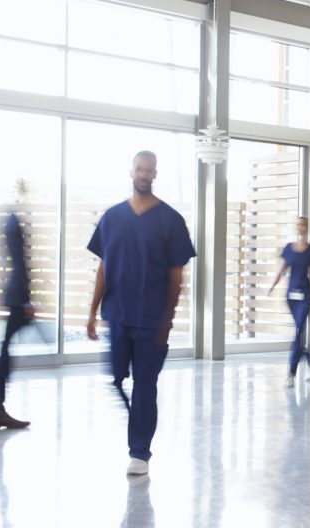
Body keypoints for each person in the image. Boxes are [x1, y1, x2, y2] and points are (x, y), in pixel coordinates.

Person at [86, 150, 196, 476]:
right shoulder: (112, 217)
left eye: (150, 170)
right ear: (131, 171)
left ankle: (140, 452)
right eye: (140, 169)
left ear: (155, 174)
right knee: (117, 377)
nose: (144, 175)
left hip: (152, 322)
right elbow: (103, 267)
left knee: (146, 385)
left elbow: (177, 274)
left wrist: (168, 320)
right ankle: (138, 420)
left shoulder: (171, 220)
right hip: (117, 316)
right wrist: (92, 312)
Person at [0, 209, 33, 430]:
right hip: (17, 296)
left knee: (6, 349)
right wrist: (25, 301)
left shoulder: (10, 221)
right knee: (5, 352)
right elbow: (19, 260)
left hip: (16, 294)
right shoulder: (14, 222)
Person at [268, 217, 310, 387]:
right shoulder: (288, 248)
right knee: (298, 333)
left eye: (304, 224)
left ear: (307, 228)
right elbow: (282, 269)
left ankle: (291, 373)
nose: (301, 227)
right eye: (298, 224)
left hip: (305, 296)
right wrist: (272, 287)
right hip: (291, 296)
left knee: (298, 332)